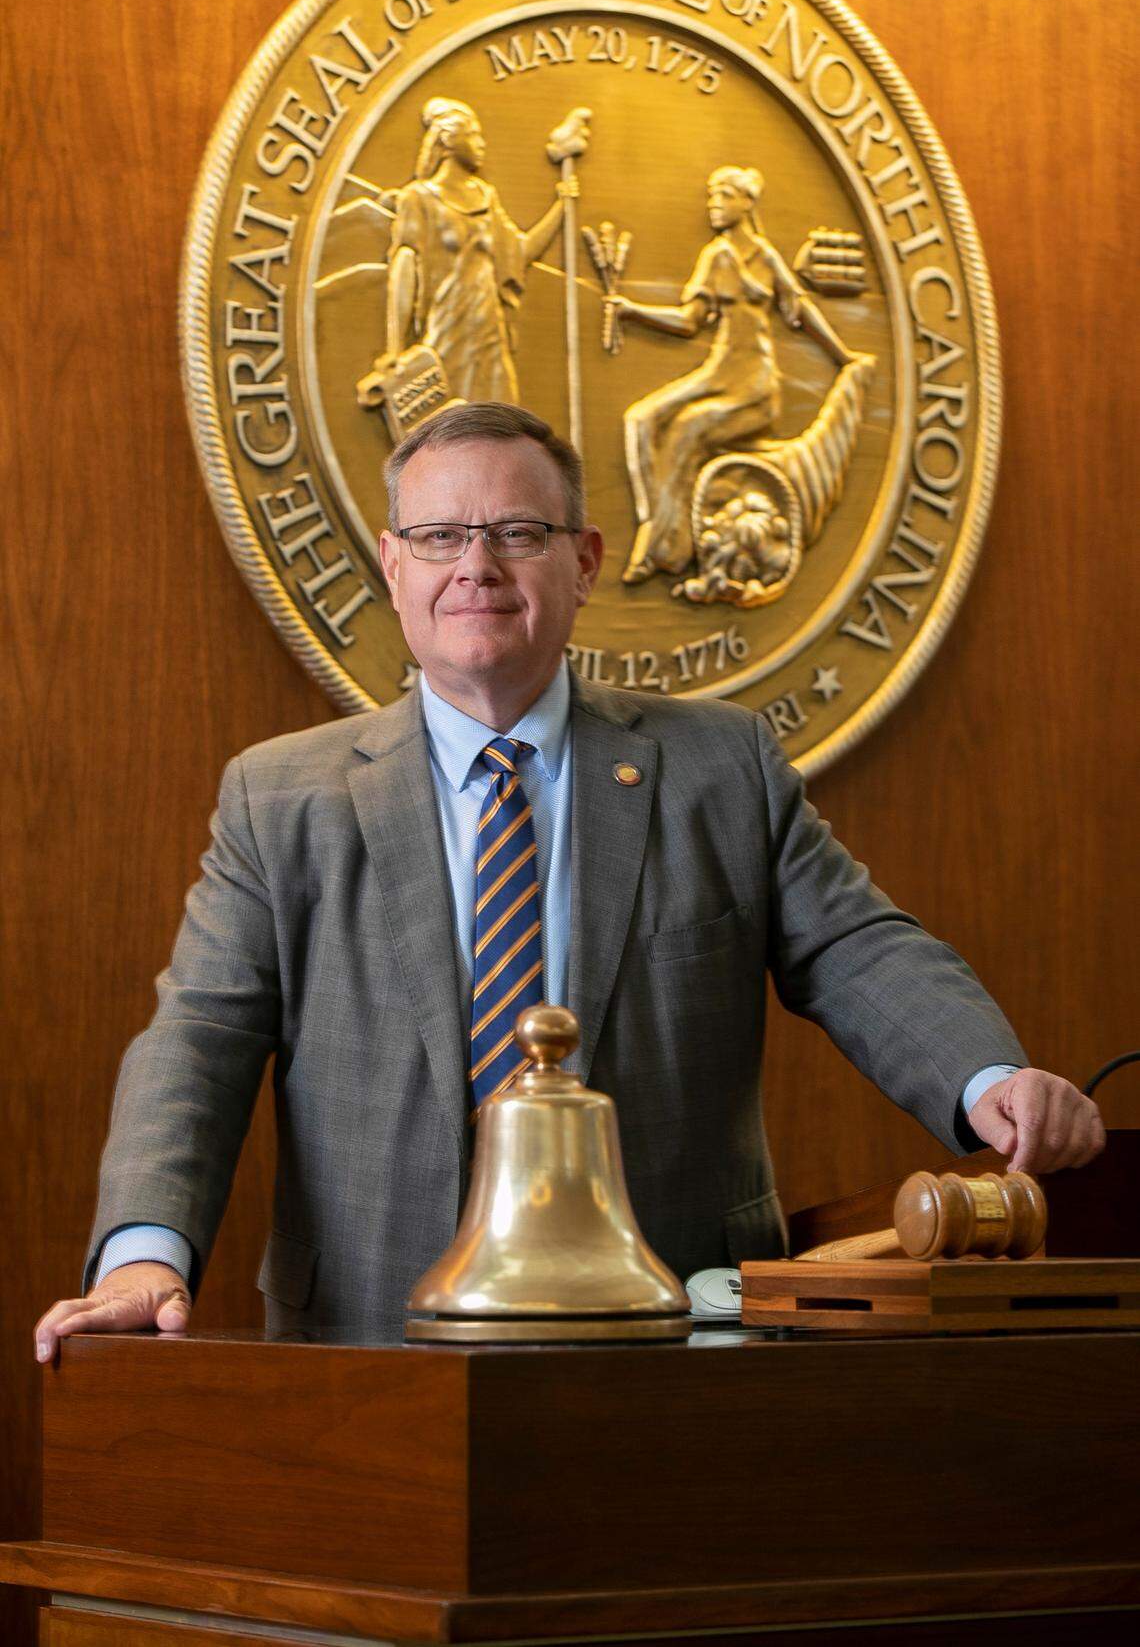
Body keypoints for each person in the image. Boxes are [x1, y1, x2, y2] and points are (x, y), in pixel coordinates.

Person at [35, 403, 1105, 1360]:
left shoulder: (718, 767)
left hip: (675, 1334)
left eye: (517, 533)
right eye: (441, 536)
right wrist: (143, 1254)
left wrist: (985, 1083)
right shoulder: (281, 799)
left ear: (584, 561)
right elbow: (200, 1040)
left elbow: (855, 947)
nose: (478, 567)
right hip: (371, 1339)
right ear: (392, 564)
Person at [608, 165, 857, 585]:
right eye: (711, 196)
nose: (713, 205)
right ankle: (656, 527)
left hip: (753, 387)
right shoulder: (716, 255)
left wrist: (842, 355)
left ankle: (667, 552)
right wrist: (633, 311)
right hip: (718, 374)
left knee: (687, 430)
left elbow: (800, 311)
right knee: (641, 419)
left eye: (723, 196)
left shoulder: (764, 256)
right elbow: (690, 322)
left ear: (747, 202)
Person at [382, 97, 579, 402]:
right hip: (447, 334)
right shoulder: (417, 198)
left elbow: (521, 252)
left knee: (504, 422)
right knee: (450, 430)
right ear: (448, 139)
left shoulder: (486, 197)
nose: (482, 143)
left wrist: (562, 206)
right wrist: (395, 349)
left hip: (490, 337)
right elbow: (405, 265)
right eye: (473, 134)